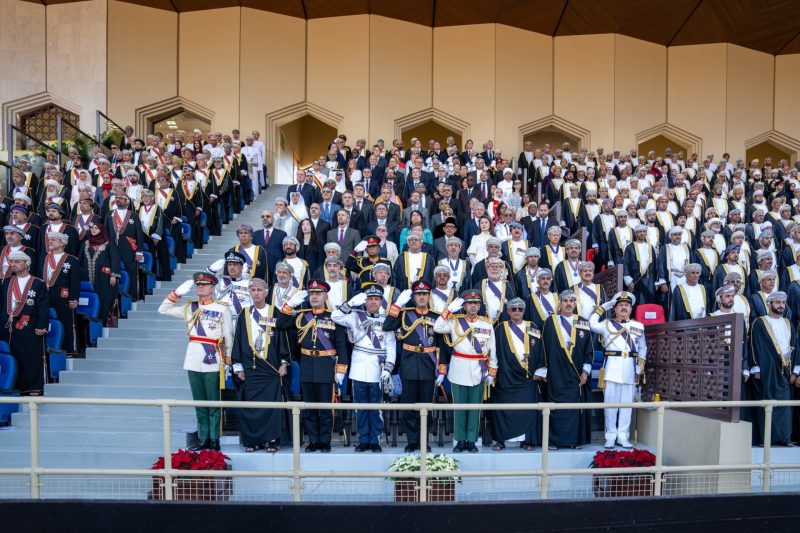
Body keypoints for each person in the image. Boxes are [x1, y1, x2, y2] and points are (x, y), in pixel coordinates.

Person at [158, 272, 233, 451]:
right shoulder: (189, 307)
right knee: (199, 402)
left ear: (213, 288)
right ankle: (203, 437)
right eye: (198, 284)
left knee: (213, 403)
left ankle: (214, 439)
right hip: (193, 358)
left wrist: (228, 360)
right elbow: (163, 309)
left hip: (213, 357)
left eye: (205, 285)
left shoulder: (223, 308)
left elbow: (229, 336)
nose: (200, 287)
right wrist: (177, 293)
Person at [277, 280, 349, 452]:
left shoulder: (333, 317)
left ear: (325, 296)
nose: (314, 297)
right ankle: (313, 440)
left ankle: (325, 441)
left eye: (318, 294)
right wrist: (290, 305)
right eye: (312, 294)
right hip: (307, 366)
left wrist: (340, 370)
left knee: (325, 408)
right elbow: (280, 323)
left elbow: (341, 345)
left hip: (326, 367)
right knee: (309, 407)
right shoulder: (302, 315)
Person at [332, 283, 396, 452]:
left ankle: (375, 440)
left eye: (376, 299)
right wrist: (350, 303)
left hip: (378, 368)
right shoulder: (355, 316)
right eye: (370, 299)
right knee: (360, 408)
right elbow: (335, 316)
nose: (373, 302)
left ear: (381, 302)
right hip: (359, 368)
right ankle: (363, 440)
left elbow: (391, 346)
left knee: (376, 408)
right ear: (365, 301)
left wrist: (388, 369)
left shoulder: (386, 321)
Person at [384, 280, 447, 452]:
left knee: (426, 406)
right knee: (410, 406)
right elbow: (387, 326)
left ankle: (424, 440)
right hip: (409, 364)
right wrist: (397, 305)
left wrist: (442, 368)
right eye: (418, 294)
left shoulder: (436, 317)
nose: (421, 297)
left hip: (428, 365)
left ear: (429, 296)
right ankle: (412, 441)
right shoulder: (405, 314)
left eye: (424, 294)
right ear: (413, 296)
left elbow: (443, 344)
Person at [434, 288, 497, 453]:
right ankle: (460, 440)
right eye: (469, 303)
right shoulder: (455, 321)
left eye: (476, 303)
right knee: (460, 407)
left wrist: (492, 372)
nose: (473, 307)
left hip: (479, 369)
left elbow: (492, 350)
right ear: (464, 306)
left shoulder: (486, 324)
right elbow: (437, 327)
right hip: (459, 367)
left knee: (475, 408)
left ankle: (472, 440)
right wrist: (448, 310)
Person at [231, 278, 288, 453]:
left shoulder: (274, 311)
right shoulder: (245, 314)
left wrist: (284, 363)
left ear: (266, 292)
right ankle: (254, 440)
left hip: (270, 368)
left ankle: (271, 440)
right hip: (251, 368)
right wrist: (238, 366)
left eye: (259, 289)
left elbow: (283, 340)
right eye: (253, 290)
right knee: (252, 406)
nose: (256, 293)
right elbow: (238, 340)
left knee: (271, 406)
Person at [534, 290, 593, 450]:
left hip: (575, 373)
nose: (568, 303)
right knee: (555, 405)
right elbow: (543, 347)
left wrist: (585, 371)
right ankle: (554, 441)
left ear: (575, 303)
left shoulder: (583, 322)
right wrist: (543, 370)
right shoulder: (550, 321)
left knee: (573, 407)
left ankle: (573, 440)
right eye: (565, 300)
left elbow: (589, 349)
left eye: (571, 300)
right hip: (555, 372)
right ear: (559, 303)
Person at [589, 291, 648, 449]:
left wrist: (641, 365)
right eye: (620, 305)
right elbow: (592, 324)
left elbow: (642, 347)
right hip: (612, 370)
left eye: (627, 305)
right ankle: (610, 436)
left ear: (631, 309)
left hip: (630, 370)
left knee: (626, 406)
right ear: (614, 309)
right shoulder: (607, 324)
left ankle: (623, 436)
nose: (623, 308)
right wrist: (604, 306)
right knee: (610, 406)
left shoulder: (638, 326)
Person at [492, 298, 543, 451]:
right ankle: (500, 441)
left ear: (524, 311)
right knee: (504, 409)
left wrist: (539, 371)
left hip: (528, 376)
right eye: (514, 309)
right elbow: (495, 351)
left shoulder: (532, 327)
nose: (517, 312)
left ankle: (527, 441)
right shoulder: (500, 328)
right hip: (506, 376)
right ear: (508, 312)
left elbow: (541, 350)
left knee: (527, 409)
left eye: (520, 309)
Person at [749, 291, 796, 447]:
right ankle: (766, 438)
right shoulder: (760, 322)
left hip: (786, 369)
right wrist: (756, 368)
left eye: (783, 302)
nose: (781, 305)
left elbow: (795, 346)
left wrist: (795, 371)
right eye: (777, 302)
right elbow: (754, 346)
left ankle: (785, 438)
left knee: (785, 404)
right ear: (769, 305)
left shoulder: (788, 323)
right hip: (767, 370)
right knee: (767, 402)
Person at [0, 251, 49, 395]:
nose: (13, 264)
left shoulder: (38, 283)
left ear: (26, 263)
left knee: (28, 355)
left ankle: (31, 387)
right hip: (6, 326)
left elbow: (43, 306)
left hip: (28, 325)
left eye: (17, 262)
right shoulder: (7, 281)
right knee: (10, 354)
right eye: (12, 262)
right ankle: (10, 386)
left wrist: (41, 325)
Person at [40, 232, 81, 355]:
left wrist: (74, 298)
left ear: (62, 243)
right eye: (49, 239)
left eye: (54, 240)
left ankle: (68, 349)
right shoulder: (46, 257)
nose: (50, 242)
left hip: (62, 295)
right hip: (45, 295)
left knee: (64, 321)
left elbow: (74, 281)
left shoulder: (71, 259)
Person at [79, 223, 120, 321]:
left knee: (103, 298)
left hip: (103, 278)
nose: (93, 230)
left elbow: (115, 259)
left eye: (96, 228)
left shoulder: (109, 243)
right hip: (86, 277)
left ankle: (101, 321)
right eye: (92, 228)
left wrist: (113, 275)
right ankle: (88, 323)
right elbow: (79, 259)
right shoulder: (86, 243)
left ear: (102, 230)